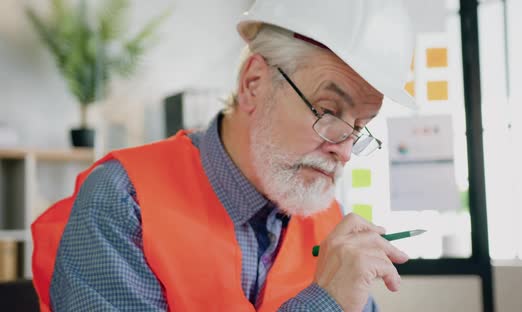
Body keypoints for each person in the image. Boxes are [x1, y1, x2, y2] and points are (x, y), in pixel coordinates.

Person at [32, 0, 416, 311]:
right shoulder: (124, 202)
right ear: (254, 84)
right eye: (329, 111)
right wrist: (324, 304)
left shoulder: (326, 218)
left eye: (360, 125)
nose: (345, 150)